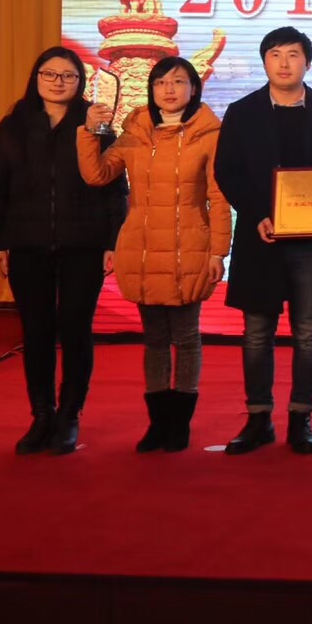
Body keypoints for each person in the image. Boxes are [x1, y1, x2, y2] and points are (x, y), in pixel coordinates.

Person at [78, 56, 230, 453]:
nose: (169, 89)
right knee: (155, 339)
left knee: (187, 337)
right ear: (151, 88)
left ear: (194, 88)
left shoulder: (209, 133)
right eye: (161, 82)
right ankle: (158, 424)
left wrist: (219, 251)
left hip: (190, 248)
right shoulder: (135, 130)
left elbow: (218, 198)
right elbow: (97, 174)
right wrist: (90, 131)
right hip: (142, 247)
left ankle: (179, 424)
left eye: (178, 81)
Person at [0, 48, 126, 454]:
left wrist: (113, 242)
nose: (59, 82)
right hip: (26, 244)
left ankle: (69, 415)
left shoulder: (95, 123)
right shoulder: (13, 125)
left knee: (76, 330)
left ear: (81, 82)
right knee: (37, 331)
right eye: (50, 74)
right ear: (36, 77)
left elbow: (116, 189)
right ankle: (41, 415)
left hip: (85, 245)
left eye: (69, 75)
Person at [214, 27, 312, 455]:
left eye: (293, 54)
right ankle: (258, 418)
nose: (284, 63)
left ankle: (301, 418)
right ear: (264, 61)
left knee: (308, 332)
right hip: (261, 236)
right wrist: (257, 215)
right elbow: (227, 171)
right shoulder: (242, 112)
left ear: (308, 62)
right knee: (256, 332)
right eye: (275, 54)